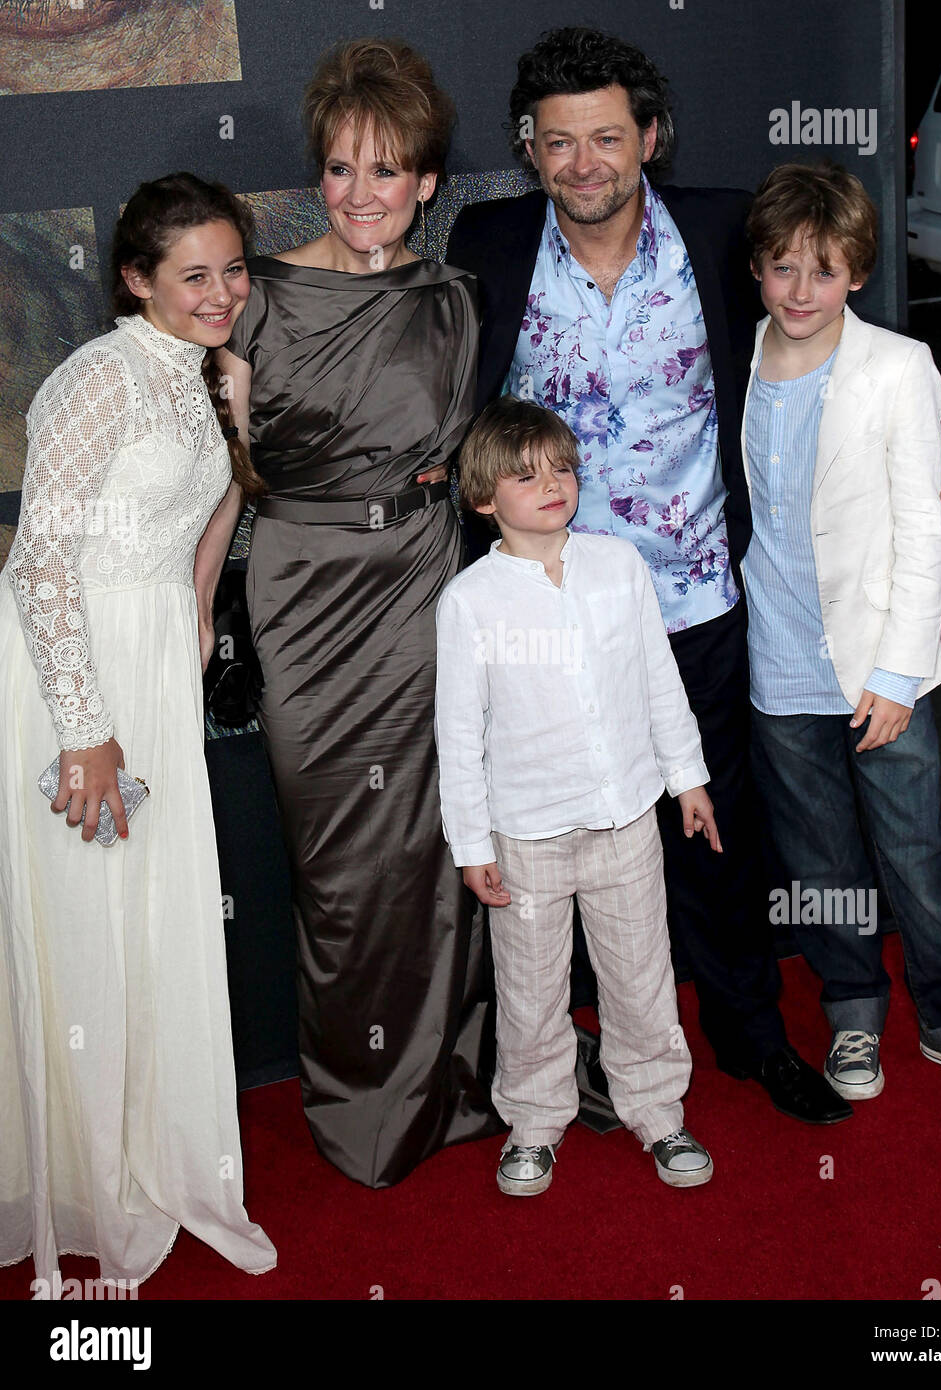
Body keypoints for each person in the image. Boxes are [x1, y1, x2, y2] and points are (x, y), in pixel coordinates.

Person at [446, 26, 851, 1124]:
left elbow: (826, 322)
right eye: (559, 142)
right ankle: (575, 1056)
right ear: (530, 150)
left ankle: (751, 1036)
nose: (584, 163)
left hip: (693, 602)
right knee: (558, 843)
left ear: (650, 139)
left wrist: (924, 426)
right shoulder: (486, 240)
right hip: (544, 619)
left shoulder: (723, 232)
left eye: (607, 138)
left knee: (714, 833)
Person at [204, 38, 502, 1189]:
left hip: (419, 583)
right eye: (341, 170)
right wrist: (195, 616)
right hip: (300, 593)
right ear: (316, 178)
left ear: (429, 183)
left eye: (388, 172)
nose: (362, 194)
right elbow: (217, 483)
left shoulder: (452, 301)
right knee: (335, 864)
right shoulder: (258, 299)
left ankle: (448, 1081)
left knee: (433, 848)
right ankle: (361, 1101)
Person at [0, 172, 276, 1287]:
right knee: (87, 924)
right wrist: (86, 730)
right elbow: (39, 563)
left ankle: (158, 1157)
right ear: (137, 280)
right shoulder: (97, 378)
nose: (221, 293)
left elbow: (212, 520)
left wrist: (197, 625)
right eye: (194, 275)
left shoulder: (215, 375)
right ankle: (87, 1183)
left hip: (157, 661)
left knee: (150, 916)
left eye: (234, 270)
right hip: (76, 679)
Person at [741, 162, 941, 1102]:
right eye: (784, 268)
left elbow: (926, 535)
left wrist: (899, 671)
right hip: (775, 660)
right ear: (758, 269)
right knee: (821, 859)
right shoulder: (735, 359)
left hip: (880, 664)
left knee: (915, 850)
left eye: (825, 271)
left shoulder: (897, 368)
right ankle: (854, 1015)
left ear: (858, 276)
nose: (802, 292)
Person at [435, 396, 722, 1194]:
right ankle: (533, 1120)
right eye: (525, 476)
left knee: (642, 976)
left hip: (628, 815)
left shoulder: (618, 565)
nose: (552, 484)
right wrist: (473, 847)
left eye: (562, 467)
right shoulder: (470, 602)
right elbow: (459, 736)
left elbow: (660, 682)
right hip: (524, 833)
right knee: (530, 990)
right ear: (485, 499)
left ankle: (659, 1110)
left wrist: (687, 779)